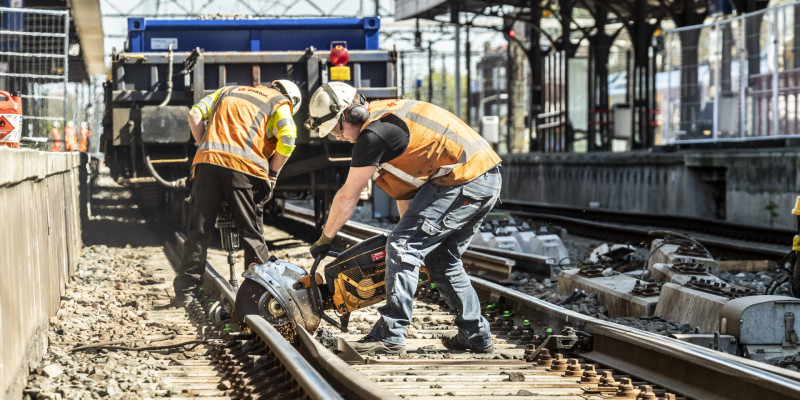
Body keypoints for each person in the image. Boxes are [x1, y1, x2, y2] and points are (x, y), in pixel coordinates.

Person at [305, 82, 502, 355]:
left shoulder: (373, 134)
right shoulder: (384, 120)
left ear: (352, 114)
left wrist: (325, 239)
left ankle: (390, 334)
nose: (339, 138)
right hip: (483, 178)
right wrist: (407, 246)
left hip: (463, 179)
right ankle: (476, 336)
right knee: (441, 260)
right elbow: (406, 193)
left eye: (337, 130)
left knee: (402, 246)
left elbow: (348, 196)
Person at [172, 80, 303, 308]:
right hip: (244, 170)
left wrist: (205, 146)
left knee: (198, 231)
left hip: (207, 164)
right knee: (251, 233)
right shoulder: (278, 102)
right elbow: (289, 136)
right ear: (291, 98)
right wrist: (272, 174)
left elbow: (194, 114)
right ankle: (258, 296)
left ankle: (185, 294)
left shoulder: (226, 91)